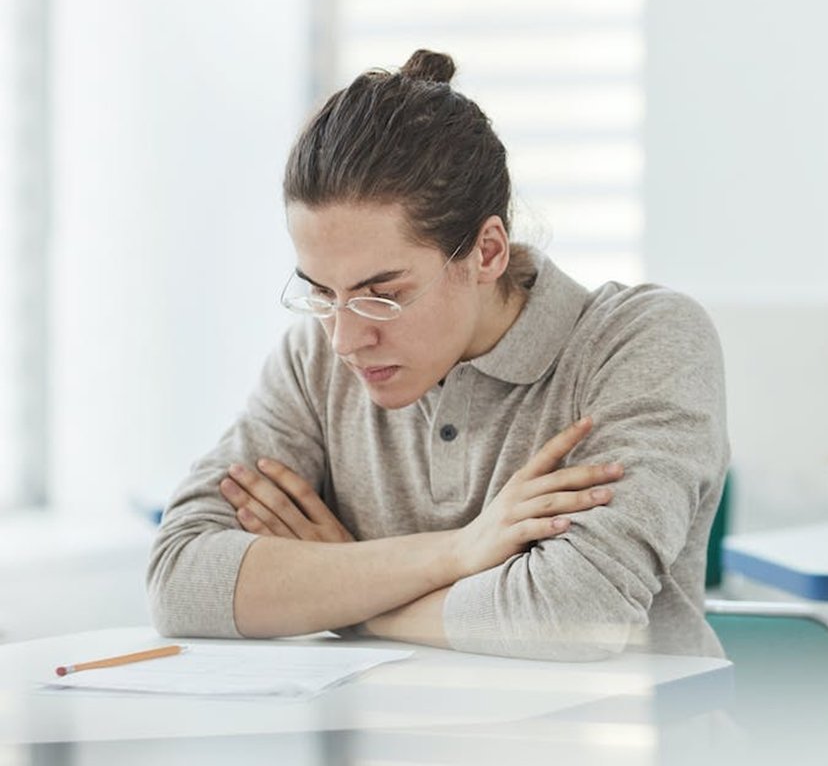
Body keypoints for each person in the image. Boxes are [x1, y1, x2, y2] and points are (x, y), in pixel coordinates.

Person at [147, 49, 730, 662]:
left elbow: (575, 615)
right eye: (322, 293)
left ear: (487, 252)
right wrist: (457, 551)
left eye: (383, 296)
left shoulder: (642, 342)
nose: (345, 340)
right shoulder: (311, 363)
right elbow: (181, 579)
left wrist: (349, 599)